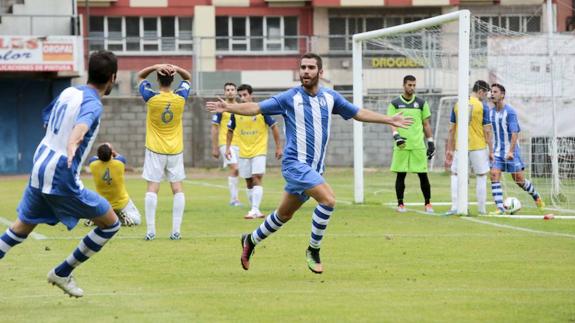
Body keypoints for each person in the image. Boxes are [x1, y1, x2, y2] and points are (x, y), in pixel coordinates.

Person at [206, 53, 412, 274]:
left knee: (283, 215)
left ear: (320, 72)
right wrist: (228, 108)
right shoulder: (289, 97)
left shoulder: (330, 97)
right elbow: (255, 108)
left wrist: (388, 119)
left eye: (311, 67)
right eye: (303, 67)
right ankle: (313, 249)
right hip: (295, 164)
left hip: (314, 168)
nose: (305, 71)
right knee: (329, 200)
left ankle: (251, 239)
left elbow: (358, 112)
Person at [0, 50, 120, 298]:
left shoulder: (69, 91)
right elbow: (83, 123)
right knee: (110, 224)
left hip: (40, 165)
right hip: (60, 175)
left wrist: (67, 138)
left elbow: (48, 119)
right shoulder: (93, 103)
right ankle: (62, 272)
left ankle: (62, 273)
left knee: (22, 226)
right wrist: (73, 142)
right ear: (113, 77)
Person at [137, 63, 191, 240]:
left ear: (158, 79)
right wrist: (176, 67)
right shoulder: (180, 97)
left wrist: (154, 66)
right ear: (173, 79)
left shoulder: (151, 97)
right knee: (177, 188)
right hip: (175, 149)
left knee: (153, 188)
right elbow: (188, 78)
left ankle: (150, 231)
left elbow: (140, 76)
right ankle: (176, 231)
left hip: (155, 149)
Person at [225, 84, 283, 219]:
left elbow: (274, 126)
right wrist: (228, 148)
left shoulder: (261, 109)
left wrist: (278, 147)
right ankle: (254, 209)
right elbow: (229, 130)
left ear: (251, 95)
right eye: (240, 95)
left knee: (257, 177)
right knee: (248, 181)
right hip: (243, 151)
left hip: (259, 150)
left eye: (245, 95)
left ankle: (255, 209)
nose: (242, 97)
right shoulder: (236, 112)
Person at [488, 83, 545, 214]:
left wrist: (511, 151)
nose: (492, 94)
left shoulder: (510, 112)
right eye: (491, 91)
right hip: (497, 152)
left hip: (511, 151)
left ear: (502, 95)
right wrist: (490, 151)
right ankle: (500, 208)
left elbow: (514, 133)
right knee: (494, 175)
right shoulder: (491, 113)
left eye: (495, 92)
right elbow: (490, 133)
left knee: (519, 180)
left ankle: (536, 197)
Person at [387, 75, 435, 213]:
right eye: (409, 85)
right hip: (402, 145)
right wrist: (396, 136)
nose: (412, 88)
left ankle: (428, 203)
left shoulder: (421, 103)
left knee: (423, 175)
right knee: (401, 175)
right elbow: (391, 122)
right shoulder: (395, 103)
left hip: (418, 145)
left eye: (414, 85)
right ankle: (400, 204)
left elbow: (426, 124)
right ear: (404, 85)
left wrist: (430, 141)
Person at [445, 80, 493, 215]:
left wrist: (450, 148)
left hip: (461, 146)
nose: (485, 97)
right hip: (478, 146)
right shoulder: (482, 106)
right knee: (481, 175)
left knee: (455, 174)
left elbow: (451, 129)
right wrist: (491, 150)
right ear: (481, 91)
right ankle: (482, 209)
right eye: (485, 93)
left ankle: (455, 206)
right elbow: (487, 130)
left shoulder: (457, 104)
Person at [87, 143, 142, 226]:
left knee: (105, 215)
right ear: (111, 153)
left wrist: (102, 152)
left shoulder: (93, 165)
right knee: (137, 219)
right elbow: (120, 157)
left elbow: (93, 158)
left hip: (103, 205)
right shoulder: (119, 164)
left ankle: (97, 218)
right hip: (121, 203)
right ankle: (121, 217)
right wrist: (112, 152)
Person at [211, 82, 242, 206]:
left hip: (240, 144)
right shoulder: (220, 108)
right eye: (227, 89)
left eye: (232, 89)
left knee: (239, 171)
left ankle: (236, 198)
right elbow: (214, 128)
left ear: (236, 92)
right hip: (226, 143)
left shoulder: (240, 107)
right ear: (224, 92)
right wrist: (215, 147)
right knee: (234, 168)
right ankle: (234, 200)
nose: (230, 91)